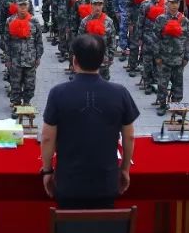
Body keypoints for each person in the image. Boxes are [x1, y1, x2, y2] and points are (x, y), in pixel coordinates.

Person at [40, 34, 139, 209]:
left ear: (74, 60)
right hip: (106, 181)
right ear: (102, 60)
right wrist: (124, 169)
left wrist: (47, 170)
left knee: (69, 229)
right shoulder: (120, 92)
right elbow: (129, 137)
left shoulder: (58, 93)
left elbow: (47, 138)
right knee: (101, 230)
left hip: (69, 182)